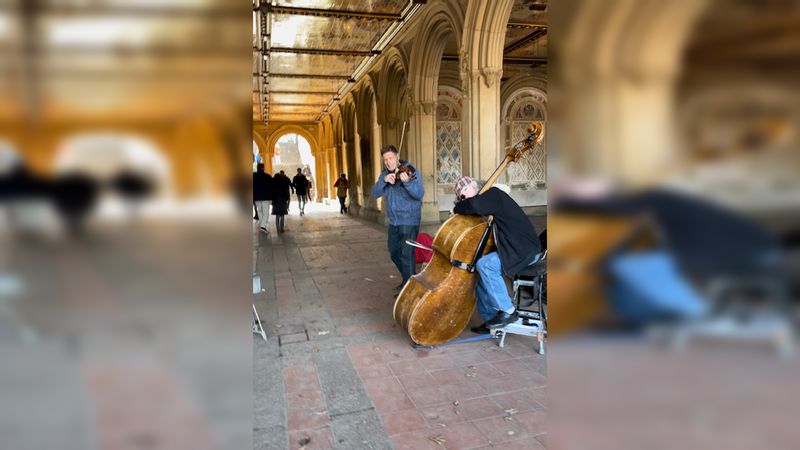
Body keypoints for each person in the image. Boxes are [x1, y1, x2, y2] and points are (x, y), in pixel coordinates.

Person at [452, 176, 542, 332]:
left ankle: (508, 311)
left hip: (524, 251)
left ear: (473, 186)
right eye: (460, 196)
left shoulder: (493, 194)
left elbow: (473, 205)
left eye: (463, 192)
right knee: (481, 274)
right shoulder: (488, 199)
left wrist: (456, 207)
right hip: (515, 249)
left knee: (485, 265)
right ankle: (491, 320)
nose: (463, 197)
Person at [371, 145, 424, 295]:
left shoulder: (409, 170)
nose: (388, 162)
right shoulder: (384, 174)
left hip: (409, 219)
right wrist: (384, 181)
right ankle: (410, 280)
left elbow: (419, 193)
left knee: (407, 255)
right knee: (394, 253)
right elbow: (374, 194)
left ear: (397, 156)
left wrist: (407, 183)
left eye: (391, 158)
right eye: (385, 160)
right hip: (394, 221)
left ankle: (410, 290)